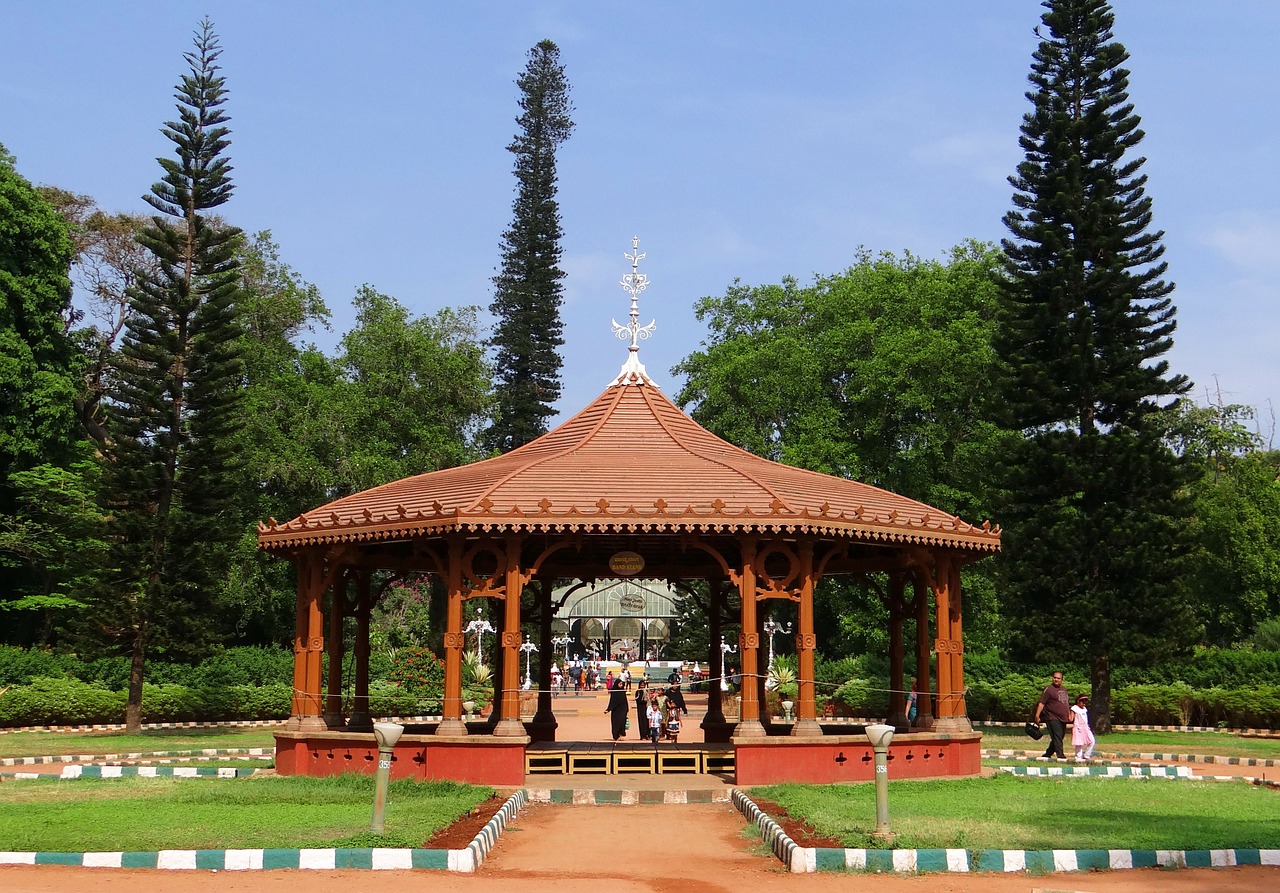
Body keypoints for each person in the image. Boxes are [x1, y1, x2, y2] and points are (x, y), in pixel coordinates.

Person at [1033, 671, 1071, 760]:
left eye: (1058, 678)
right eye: (1054, 677)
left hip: (1063, 718)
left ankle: (1048, 753)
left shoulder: (1064, 689)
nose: (1056, 680)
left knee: (1059, 737)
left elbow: (1065, 703)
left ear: (1062, 679)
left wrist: (1069, 714)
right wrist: (1037, 716)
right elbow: (1041, 703)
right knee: (1057, 736)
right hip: (1052, 717)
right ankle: (1060, 756)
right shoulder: (1049, 689)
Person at [1071, 694, 1096, 762]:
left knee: (1092, 741)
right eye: (1082, 701)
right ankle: (1078, 757)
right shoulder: (1074, 708)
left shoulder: (1085, 709)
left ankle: (1086, 755)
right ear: (1078, 701)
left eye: (1085, 701)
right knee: (1079, 743)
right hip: (1078, 727)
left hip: (1085, 727)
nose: (1084, 703)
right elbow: (1070, 718)